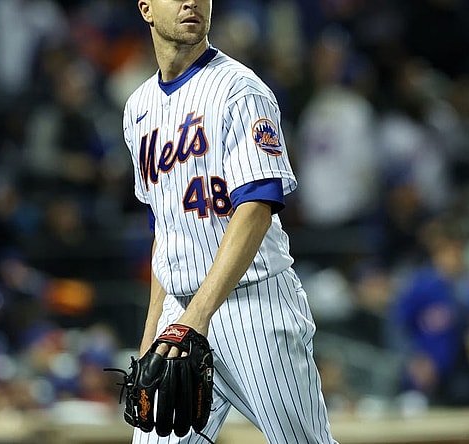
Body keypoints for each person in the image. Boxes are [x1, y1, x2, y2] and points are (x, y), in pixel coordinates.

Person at [121, 1, 337, 443]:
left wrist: (196, 317)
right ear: (145, 8)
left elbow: (256, 207)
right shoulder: (137, 108)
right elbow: (166, 228)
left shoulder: (240, 90)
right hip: (180, 313)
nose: (192, 1)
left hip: (254, 307)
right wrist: (151, 334)